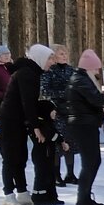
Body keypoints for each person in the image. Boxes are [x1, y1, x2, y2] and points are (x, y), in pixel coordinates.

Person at [0, 44, 56, 205]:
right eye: (50, 58)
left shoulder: (33, 73)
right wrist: (36, 126)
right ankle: (8, 194)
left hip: (19, 120)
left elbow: (33, 103)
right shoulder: (27, 74)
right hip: (10, 120)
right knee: (10, 157)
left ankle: (22, 191)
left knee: (21, 156)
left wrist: (47, 108)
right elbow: (27, 103)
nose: (52, 62)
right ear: (40, 58)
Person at [67, 50, 104, 205]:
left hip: (85, 124)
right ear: (89, 68)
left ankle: (85, 198)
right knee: (91, 162)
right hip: (83, 125)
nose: (97, 72)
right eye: (96, 69)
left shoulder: (81, 79)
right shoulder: (81, 80)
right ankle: (82, 201)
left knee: (92, 162)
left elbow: (92, 97)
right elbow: (95, 99)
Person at [41, 44, 80, 186]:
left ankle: (70, 173)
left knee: (71, 141)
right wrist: (64, 93)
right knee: (58, 143)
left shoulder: (72, 70)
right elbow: (45, 91)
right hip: (56, 110)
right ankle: (56, 174)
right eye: (61, 54)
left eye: (65, 53)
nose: (64, 56)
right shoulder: (49, 71)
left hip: (71, 110)